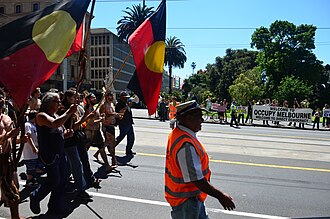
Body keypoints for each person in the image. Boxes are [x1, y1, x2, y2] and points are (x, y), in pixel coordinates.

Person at [165, 100, 235, 218]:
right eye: (199, 117)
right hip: (187, 201)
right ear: (188, 118)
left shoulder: (180, 134)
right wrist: (221, 196)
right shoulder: (185, 144)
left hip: (191, 198)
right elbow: (196, 179)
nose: (202, 120)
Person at [29, 92, 77, 215]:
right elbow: (54, 124)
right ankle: (35, 196)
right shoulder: (42, 116)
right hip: (49, 154)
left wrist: (66, 135)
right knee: (54, 179)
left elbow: (59, 131)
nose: (59, 104)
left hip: (60, 153)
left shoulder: (55, 115)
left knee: (62, 181)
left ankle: (54, 207)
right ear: (48, 102)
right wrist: (69, 112)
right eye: (56, 101)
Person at [58, 90, 92, 200]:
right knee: (76, 164)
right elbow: (73, 127)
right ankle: (81, 189)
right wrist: (85, 116)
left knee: (69, 165)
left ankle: (62, 184)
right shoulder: (64, 110)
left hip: (75, 139)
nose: (78, 99)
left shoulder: (74, 109)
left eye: (78, 97)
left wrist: (86, 117)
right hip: (68, 141)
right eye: (75, 97)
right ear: (68, 98)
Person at [0, 88, 24, 219]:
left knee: (13, 192)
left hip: (6, 159)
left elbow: (11, 139)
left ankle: (16, 217)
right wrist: (8, 135)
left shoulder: (6, 118)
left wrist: (21, 139)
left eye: (1, 97)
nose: (1, 100)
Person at [84, 93, 113, 173]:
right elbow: (89, 122)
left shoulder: (93, 108)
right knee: (85, 150)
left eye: (95, 97)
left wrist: (101, 117)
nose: (95, 99)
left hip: (96, 131)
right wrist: (99, 120)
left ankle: (107, 165)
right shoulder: (88, 109)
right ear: (88, 100)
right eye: (93, 98)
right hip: (90, 132)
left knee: (101, 147)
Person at [99, 92, 121, 167]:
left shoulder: (111, 104)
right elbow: (103, 115)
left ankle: (113, 160)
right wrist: (114, 114)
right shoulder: (103, 105)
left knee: (110, 143)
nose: (111, 98)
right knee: (112, 143)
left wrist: (117, 116)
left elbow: (113, 113)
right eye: (109, 97)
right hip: (106, 126)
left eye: (112, 97)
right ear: (106, 97)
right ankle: (113, 160)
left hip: (112, 126)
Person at [23, 111, 40, 187]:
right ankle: (29, 181)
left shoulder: (34, 125)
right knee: (31, 166)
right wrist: (33, 147)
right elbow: (28, 137)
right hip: (29, 150)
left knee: (35, 166)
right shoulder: (27, 125)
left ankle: (32, 179)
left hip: (36, 149)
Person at [115, 91, 136, 155]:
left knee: (131, 137)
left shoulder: (126, 103)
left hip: (129, 122)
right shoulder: (119, 104)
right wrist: (127, 106)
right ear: (121, 97)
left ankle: (128, 150)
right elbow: (120, 112)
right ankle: (111, 146)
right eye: (125, 97)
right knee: (121, 137)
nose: (126, 99)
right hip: (123, 123)